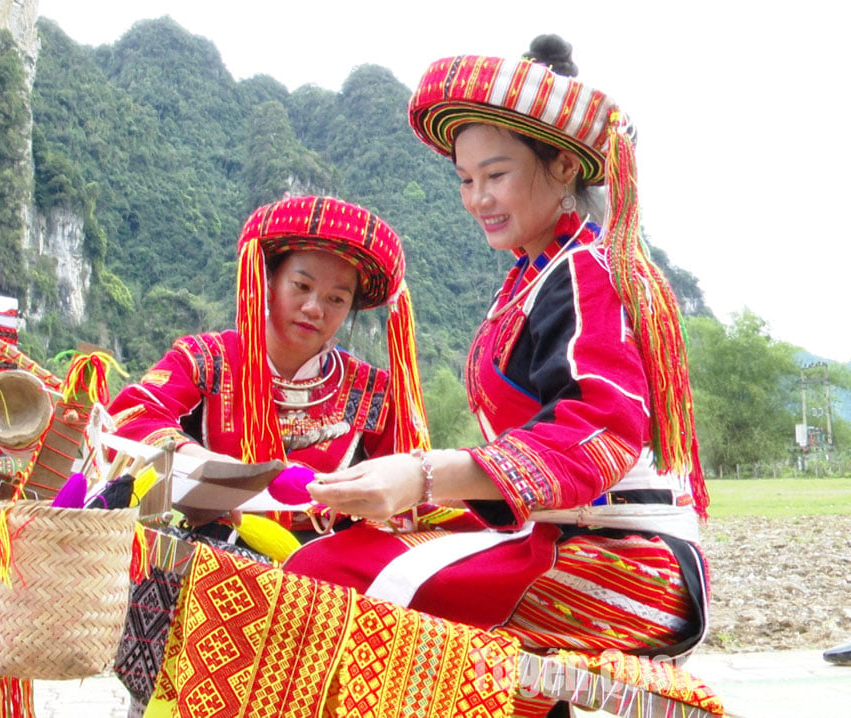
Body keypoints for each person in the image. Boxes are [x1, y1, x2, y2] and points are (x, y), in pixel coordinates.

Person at [284, 36, 711, 718]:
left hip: (627, 563)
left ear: (563, 163)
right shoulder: (536, 275)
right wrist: (404, 495)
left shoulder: (589, 271)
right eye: (464, 178)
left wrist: (423, 477)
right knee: (351, 544)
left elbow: (600, 428)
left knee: (323, 578)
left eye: (497, 174)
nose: (476, 197)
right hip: (566, 537)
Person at [107, 194, 430, 542]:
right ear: (269, 282)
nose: (313, 308)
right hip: (205, 548)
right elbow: (130, 418)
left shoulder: (371, 392)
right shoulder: (207, 359)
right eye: (301, 286)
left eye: (336, 299)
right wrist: (212, 467)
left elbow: (413, 495)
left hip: (321, 570)